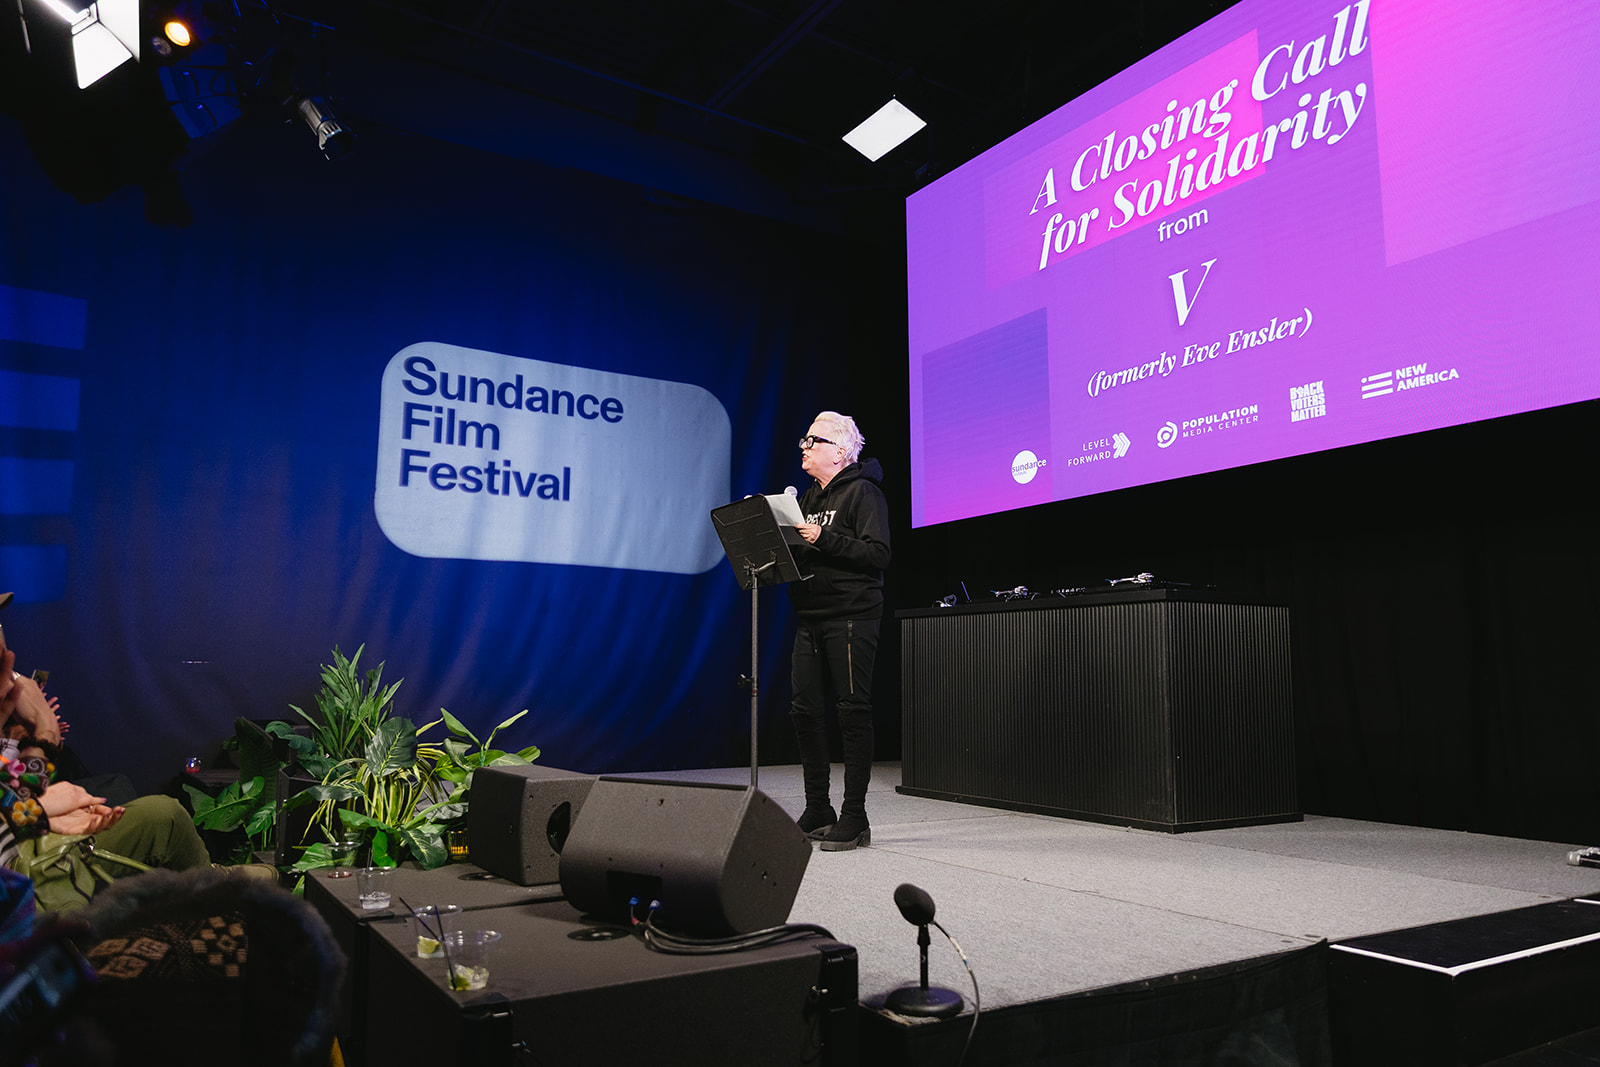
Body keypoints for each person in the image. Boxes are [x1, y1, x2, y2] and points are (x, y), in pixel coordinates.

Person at [0, 597, 221, 906]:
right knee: (159, 813)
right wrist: (42, 737)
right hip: (18, 876)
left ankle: (215, 889)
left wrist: (37, 808)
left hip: (22, 842)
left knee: (158, 813)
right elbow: (17, 807)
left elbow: (11, 797)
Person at [788, 413, 891, 852]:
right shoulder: (808, 497)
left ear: (840, 451)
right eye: (805, 439)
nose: (804, 446)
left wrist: (822, 538)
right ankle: (818, 808)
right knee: (805, 711)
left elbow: (878, 554)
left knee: (852, 711)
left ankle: (855, 816)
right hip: (810, 615)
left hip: (852, 614)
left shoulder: (864, 492)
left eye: (814, 440)